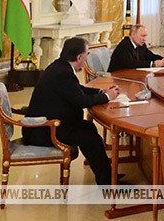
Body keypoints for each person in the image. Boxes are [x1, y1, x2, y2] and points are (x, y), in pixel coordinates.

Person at [23, 37, 120, 185]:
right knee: (91, 138)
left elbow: (76, 89)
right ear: (79, 57)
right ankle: (107, 183)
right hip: (44, 129)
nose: (87, 57)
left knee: (89, 128)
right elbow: (81, 101)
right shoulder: (62, 73)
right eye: (87, 54)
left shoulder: (61, 66)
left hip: (53, 122)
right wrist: (108, 97)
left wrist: (101, 92)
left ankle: (106, 177)